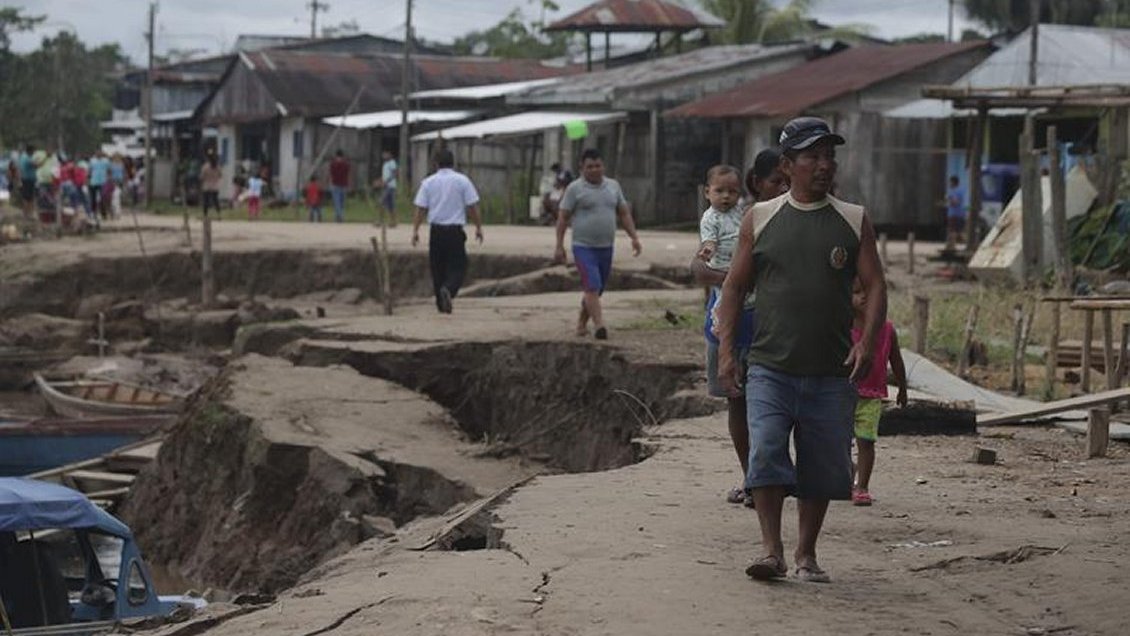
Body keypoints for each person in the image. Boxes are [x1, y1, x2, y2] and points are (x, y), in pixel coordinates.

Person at [715, 116, 886, 584]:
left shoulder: (853, 220)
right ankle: (771, 551)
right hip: (770, 365)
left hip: (831, 370)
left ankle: (806, 553)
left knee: (822, 464)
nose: (824, 165)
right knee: (767, 451)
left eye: (829, 155)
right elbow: (733, 288)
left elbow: (875, 287)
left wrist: (868, 344)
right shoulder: (761, 218)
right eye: (812, 156)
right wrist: (727, 351)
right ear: (788, 166)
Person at [694, 149, 789, 507]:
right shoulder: (733, 218)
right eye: (776, 181)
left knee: (770, 405)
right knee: (738, 402)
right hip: (729, 322)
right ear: (757, 183)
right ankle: (754, 479)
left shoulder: (779, 217)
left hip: (767, 325)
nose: (783, 187)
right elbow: (700, 269)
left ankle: (766, 478)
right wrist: (736, 280)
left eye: (787, 180)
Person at [554, 148, 642, 340]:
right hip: (583, 247)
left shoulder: (613, 186)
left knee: (597, 288)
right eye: (589, 167)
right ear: (581, 168)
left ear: (603, 166)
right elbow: (562, 218)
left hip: (606, 247)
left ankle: (581, 323)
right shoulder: (574, 189)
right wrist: (559, 245)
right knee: (592, 285)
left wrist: (634, 237)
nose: (594, 170)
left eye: (597, 166)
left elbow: (624, 213)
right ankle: (600, 325)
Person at [849, 277, 907, 507]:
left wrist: (902, 387)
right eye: (856, 292)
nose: (863, 297)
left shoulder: (887, 330)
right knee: (838, 442)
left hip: (871, 395)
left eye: (868, 292)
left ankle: (862, 486)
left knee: (866, 441)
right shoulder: (844, 327)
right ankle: (849, 472)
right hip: (844, 395)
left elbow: (897, 361)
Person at [412, 148, 483, 314]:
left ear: (436, 164)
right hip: (455, 231)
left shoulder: (428, 182)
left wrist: (415, 230)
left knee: (437, 268)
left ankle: (441, 304)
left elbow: (420, 209)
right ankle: (449, 290)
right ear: (453, 163)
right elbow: (472, 207)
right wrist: (478, 227)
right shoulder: (463, 181)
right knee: (458, 266)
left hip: (436, 231)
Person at [377, 149, 398, 227]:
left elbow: (394, 174)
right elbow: (385, 175)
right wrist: (380, 181)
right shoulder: (385, 164)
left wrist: (386, 182)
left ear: (389, 154)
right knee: (390, 205)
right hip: (386, 186)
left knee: (381, 202)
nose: (384, 155)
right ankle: (392, 221)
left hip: (390, 186)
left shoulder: (392, 163)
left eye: (385, 154)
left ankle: (381, 220)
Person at [945, 175, 966, 249]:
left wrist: (949, 199)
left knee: (953, 230)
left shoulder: (956, 191)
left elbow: (956, 202)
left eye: (950, 182)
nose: (949, 184)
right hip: (958, 214)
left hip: (955, 214)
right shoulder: (955, 190)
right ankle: (950, 245)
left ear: (953, 182)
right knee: (959, 231)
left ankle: (951, 246)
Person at [329, 150, 350, 223]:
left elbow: (331, 173)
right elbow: (347, 173)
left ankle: (339, 217)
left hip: (335, 184)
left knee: (337, 202)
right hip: (343, 184)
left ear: (336, 156)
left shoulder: (333, 164)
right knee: (341, 202)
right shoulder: (346, 164)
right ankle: (339, 217)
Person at [88, 151, 109, 218]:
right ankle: (93, 213)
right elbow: (90, 171)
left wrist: (109, 179)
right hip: (93, 182)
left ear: (102, 154)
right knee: (93, 198)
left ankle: (104, 213)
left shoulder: (106, 161)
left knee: (103, 198)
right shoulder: (92, 161)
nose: (98, 155)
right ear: (95, 154)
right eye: (97, 154)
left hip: (103, 182)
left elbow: (109, 170)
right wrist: (88, 180)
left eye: (100, 154)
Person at [18, 146, 36, 215]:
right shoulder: (27, 158)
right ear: (30, 151)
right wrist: (45, 159)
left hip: (25, 179)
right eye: (33, 151)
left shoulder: (22, 157)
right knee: (28, 197)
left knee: (26, 197)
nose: (34, 153)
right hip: (28, 180)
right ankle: (28, 213)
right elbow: (35, 165)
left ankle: (27, 213)